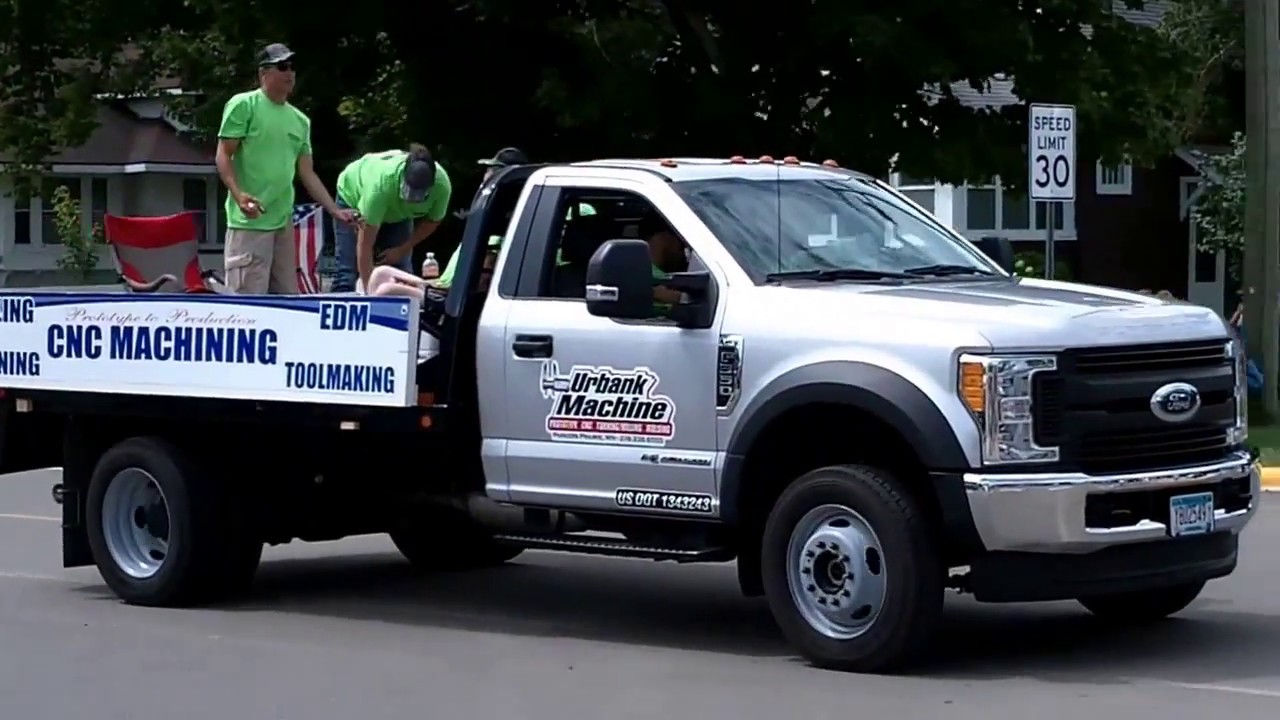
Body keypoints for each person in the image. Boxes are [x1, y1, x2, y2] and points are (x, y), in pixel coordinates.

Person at [215, 42, 354, 294]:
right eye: (282, 66)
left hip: (282, 223)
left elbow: (307, 173)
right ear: (263, 73)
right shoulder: (243, 105)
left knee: (287, 301)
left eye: (292, 67)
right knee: (247, 303)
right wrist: (238, 195)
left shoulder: (300, 121)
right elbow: (223, 155)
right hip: (249, 224)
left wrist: (335, 210)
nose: (290, 73)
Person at [331, 144, 453, 292]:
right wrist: (369, 294)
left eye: (418, 195)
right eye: (408, 192)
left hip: (399, 215)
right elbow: (365, 245)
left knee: (401, 272)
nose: (411, 199)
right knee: (347, 273)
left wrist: (402, 249)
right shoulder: (381, 187)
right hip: (353, 196)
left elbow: (433, 220)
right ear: (403, 177)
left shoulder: (442, 186)